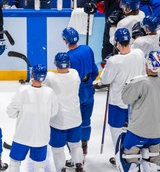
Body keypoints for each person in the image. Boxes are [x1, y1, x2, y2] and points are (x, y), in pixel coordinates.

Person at [100, 28, 146, 166]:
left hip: (118, 102)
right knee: (135, 130)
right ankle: (135, 156)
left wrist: (108, 64)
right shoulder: (139, 53)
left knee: (116, 132)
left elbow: (105, 80)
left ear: (117, 43)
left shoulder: (114, 61)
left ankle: (118, 158)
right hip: (137, 101)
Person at [7, 64, 58, 172]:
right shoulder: (50, 92)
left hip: (22, 136)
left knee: (14, 164)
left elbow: (11, 112)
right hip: (41, 138)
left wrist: (20, 114)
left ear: (32, 74)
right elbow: (54, 112)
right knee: (39, 167)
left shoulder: (23, 91)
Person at [116, 51, 160, 171]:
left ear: (148, 64)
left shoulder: (140, 82)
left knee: (127, 158)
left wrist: (128, 86)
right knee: (156, 162)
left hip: (137, 132)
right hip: (157, 134)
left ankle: (132, 165)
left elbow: (126, 99)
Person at [61, 27, 98, 161]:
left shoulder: (68, 57)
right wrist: (89, 83)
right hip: (89, 90)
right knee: (86, 120)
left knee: (73, 122)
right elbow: (94, 70)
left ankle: (75, 155)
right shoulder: (87, 49)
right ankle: (84, 144)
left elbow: (66, 81)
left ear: (65, 40)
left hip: (76, 93)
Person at [44, 53, 83, 172]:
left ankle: (61, 169)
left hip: (58, 120)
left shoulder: (50, 77)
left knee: (57, 149)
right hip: (75, 118)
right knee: (76, 145)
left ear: (56, 64)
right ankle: (79, 166)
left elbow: (38, 84)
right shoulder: (75, 73)